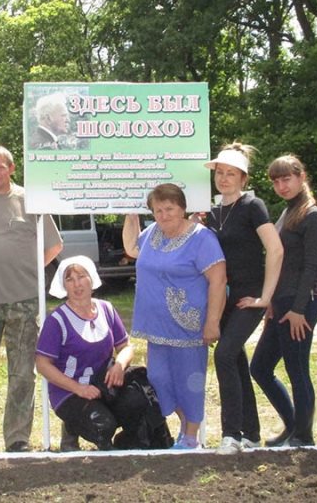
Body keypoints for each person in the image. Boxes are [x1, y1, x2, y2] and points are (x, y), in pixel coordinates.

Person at [0, 145, 63, 454]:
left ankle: (17, 439)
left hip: (25, 301)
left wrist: (28, 272)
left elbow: (54, 247)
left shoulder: (30, 201)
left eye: (0, 167)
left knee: (22, 373)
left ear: (12, 168)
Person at [123, 183, 227, 449]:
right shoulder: (152, 234)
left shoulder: (202, 238)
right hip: (156, 327)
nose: (164, 214)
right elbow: (133, 249)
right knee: (159, 379)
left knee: (189, 380)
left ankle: (191, 435)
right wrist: (130, 216)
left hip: (188, 325)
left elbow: (218, 281)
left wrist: (212, 322)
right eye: (158, 210)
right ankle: (184, 425)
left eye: (169, 208)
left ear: (182, 208)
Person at [204, 142, 283, 455]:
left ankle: (231, 435)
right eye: (220, 173)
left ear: (243, 178)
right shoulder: (210, 211)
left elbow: (275, 249)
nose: (224, 179)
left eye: (231, 174)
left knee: (223, 355)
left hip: (247, 298)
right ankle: (251, 433)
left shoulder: (253, 206)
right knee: (234, 360)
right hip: (221, 299)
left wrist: (265, 297)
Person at [249, 155, 317, 447]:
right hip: (280, 304)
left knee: (297, 370)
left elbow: (311, 266)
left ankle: (304, 437)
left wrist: (298, 309)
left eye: (286, 178)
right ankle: (293, 425)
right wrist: (271, 301)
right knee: (261, 368)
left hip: (299, 305)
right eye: (276, 180)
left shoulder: (311, 214)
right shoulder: (288, 211)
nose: (281, 185)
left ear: (301, 177)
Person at [35, 256, 144, 450]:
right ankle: (72, 428)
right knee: (102, 425)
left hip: (104, 386)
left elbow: (126, 347)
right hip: (69, 392)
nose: (77, 284)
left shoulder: (106, 309)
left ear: (91, 278)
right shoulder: (57, 320)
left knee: (141, 398)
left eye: (81, 276)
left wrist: (119, 365)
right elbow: (43, 364)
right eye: (70, 279)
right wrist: (78, 388)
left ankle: (130, 442)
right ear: (63, 285)